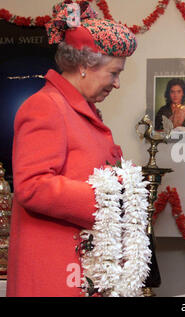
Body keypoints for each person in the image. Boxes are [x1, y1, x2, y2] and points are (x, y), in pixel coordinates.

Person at [7, 1, 137, 297]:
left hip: (82, 270)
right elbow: (32, 185)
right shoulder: (44, 107)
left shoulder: (79, 109)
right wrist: (109, 203)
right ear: (84, 66)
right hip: (54, 274)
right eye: (114, 73)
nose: (117, 83)